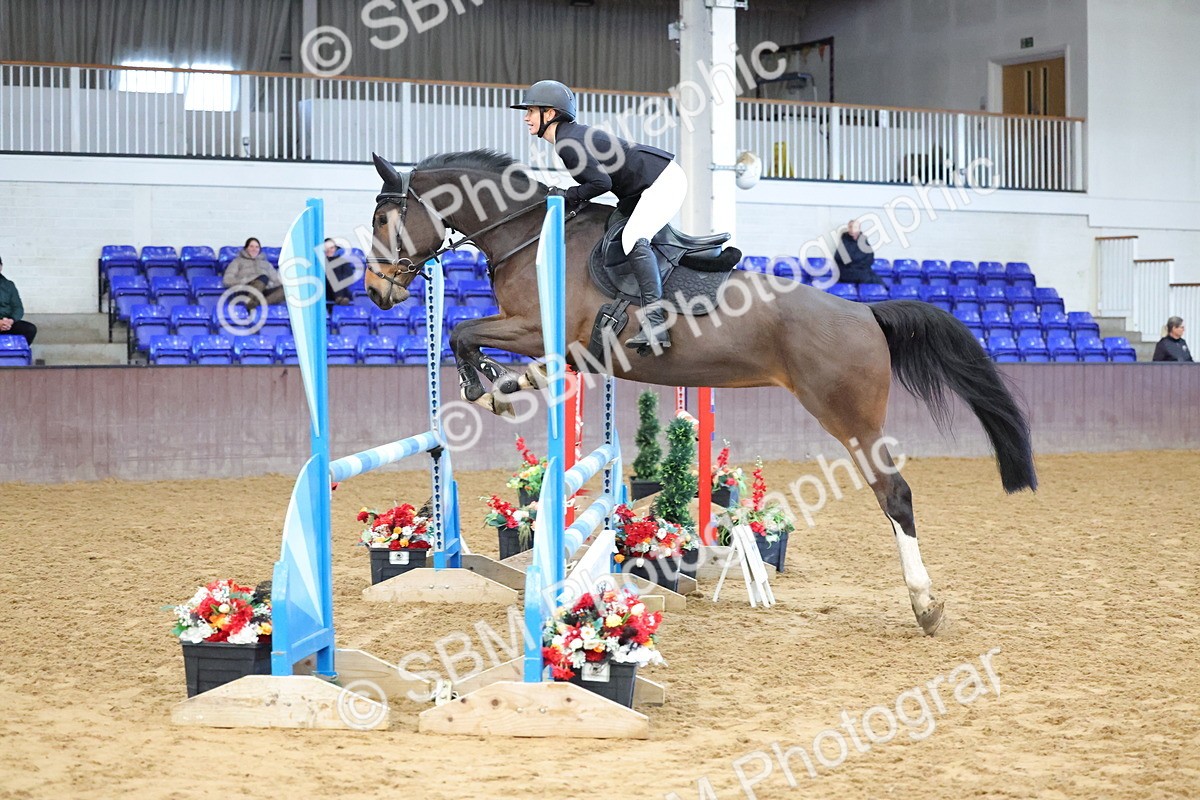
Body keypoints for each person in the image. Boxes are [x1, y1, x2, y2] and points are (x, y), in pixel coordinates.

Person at [512, 79, 684, 354]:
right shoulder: (568, 138)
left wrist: (569, 194)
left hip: (662, 182)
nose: (526, 118)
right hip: (643, 187)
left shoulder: (567, 144)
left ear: (550, 114)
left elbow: (600, 184)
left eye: (531, 111)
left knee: (632, 238)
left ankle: (655, 322)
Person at [223, 237, 283, 310]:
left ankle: (257, 305)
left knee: (284, 289)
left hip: (264, 290)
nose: (254, 249)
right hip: (245, 289)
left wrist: (269, 284)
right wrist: (246, 281)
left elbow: (276, 281)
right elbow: (227, 280)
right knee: (262, 278)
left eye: (257, 247)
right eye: (251, 246)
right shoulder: (237, 262)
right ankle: (252, 303)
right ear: (246, 248)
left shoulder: (266, 264)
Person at [0, 255, 37, 346]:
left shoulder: (9, 285)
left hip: (7, 323)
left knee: (30, 329)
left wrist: (10, 321)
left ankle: (15, 356)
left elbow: (18, 308)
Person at [833, 219, 882, 284]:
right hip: (847, 272)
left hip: (861, 270)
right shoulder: (844, 240)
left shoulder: (863, 240)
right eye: (850, 227)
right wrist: (857, 261)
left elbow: (869, 258)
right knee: (869, 278)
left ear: (859, 229)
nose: (852, 229)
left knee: (875, 279)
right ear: (848, 228)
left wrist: (856, 262)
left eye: (855, 227)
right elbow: (839, 258)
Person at [324, 238, 354, 306]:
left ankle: (339, 298)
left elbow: (348, 275)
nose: (329, 250)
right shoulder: (321, 262)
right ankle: (339, 298)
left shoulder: (343, 261)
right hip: (326, 287)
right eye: (326, 248)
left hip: (342, 287)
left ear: (335, 248)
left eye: (331, 248)